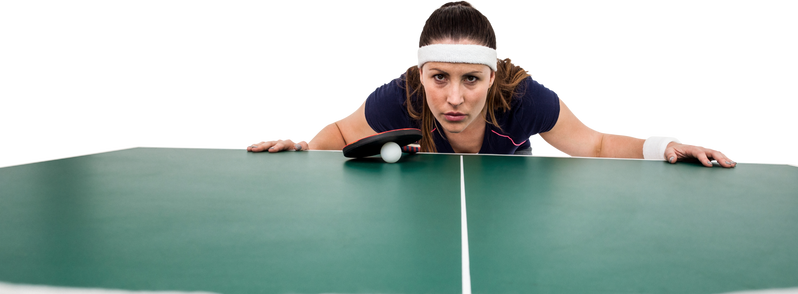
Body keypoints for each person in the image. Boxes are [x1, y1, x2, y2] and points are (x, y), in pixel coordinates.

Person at [246, 0, 735, 167]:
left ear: (493, 77)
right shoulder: (401, 95)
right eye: (439, 78)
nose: (454, 97)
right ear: (420, 75)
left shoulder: (525, 98)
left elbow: (599, 145)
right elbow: (340, 134)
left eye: (471, 80)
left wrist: (667, 145)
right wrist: (302, 150)